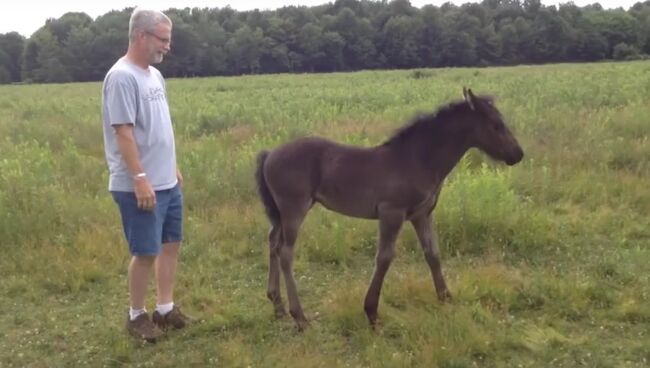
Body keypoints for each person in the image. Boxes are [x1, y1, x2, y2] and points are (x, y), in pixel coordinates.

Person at [101, 7, 192, 343]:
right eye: (163, 40)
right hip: (139, 185)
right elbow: (123, 132)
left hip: (166, 181)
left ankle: (165, 309)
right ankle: (136, 316)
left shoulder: (154, 75)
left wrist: (172, 166)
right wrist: (140, 178)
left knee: (170, 244)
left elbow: (158, 128)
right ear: (141, 36)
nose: (167, 46)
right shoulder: (122, 77)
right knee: (145, 252)